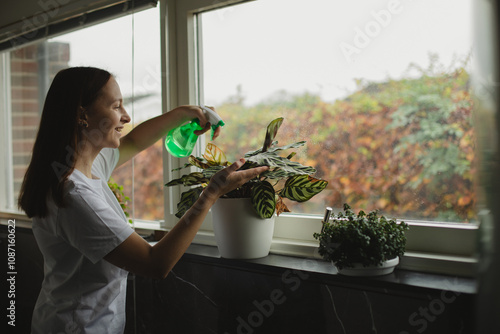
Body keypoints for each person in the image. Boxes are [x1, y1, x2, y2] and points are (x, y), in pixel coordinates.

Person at [18, 66, 268, 334]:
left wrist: (185, 112)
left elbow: (136, 141)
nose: (126, 116)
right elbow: (154, 263)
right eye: (116, 106)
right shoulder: (74, 196)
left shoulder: (83, 166)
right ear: (82, 114)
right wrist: (211, 194)